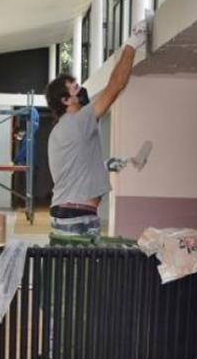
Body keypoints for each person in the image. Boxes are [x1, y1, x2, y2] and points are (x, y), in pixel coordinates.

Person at [44, 19, 148, 237]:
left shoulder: (62, 129)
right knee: (84, 270)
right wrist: (132, 44)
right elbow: (115, 87)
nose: (81, 90)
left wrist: (107, 165)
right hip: (76, 215)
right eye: (75, 88)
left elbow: (75, 165)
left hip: (70, 211)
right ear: (66, 101)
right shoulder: (78, 121)